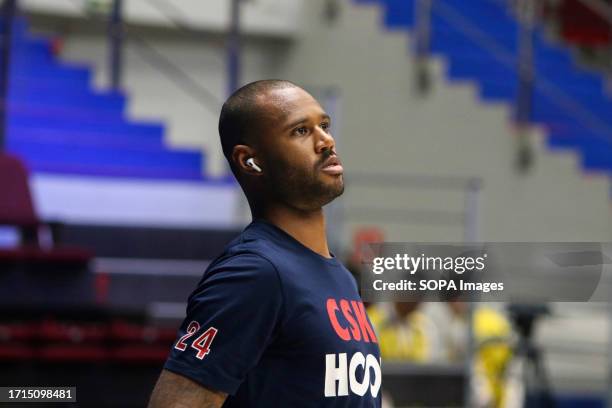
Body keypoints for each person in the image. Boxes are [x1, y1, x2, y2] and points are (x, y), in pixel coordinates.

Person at [148, 80, 382, 408]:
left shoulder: (339, 274)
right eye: (301, 131)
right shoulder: (254, 271)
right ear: (249, 161)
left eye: (324, 126)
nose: (326, 141)